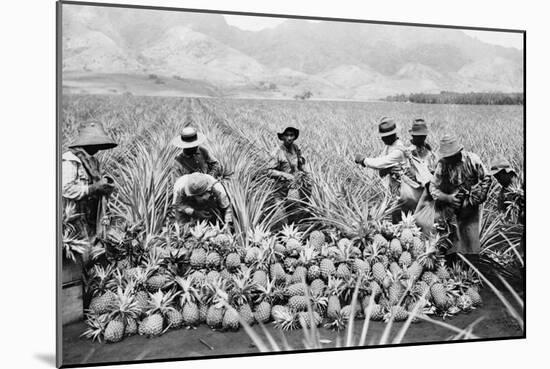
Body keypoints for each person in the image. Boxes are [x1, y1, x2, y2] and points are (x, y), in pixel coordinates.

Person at [429, 134, 492, 263]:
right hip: (450, 209)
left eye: (452, 156)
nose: (450, 159)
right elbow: (432, 188)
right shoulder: (443, 164)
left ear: (458, 152)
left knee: (471, 244)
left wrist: (479, 196)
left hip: (469, 208)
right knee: (450, 245)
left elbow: (486, 177)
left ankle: (473, 271)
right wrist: (448, 198)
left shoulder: (472, 160)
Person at [354, 117, 423, 223]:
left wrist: (363, 160)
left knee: (401, 217)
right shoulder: (390, 146)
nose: (383, 139)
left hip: (404, 190)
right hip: (395, 189)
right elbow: (381, 161)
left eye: (385, 137)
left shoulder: (398, 151)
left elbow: (380, 163)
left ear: (392, 135)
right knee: (397, 215)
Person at [62, 121, 118, 237]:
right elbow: (65, 189)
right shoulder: (70, 161)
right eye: (96, 145)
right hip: (72, 219)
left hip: (89, 215)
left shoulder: (93, 162)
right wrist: (93, 188)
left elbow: (99, 190)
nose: (98, 149)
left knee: (95, 246)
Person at [267, 126, 310, 223]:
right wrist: (285, 175)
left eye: (292, 135)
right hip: (280, 189)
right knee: (281, 216)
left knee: (295, 212)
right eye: (287, 135)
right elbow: (269, 171)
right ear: (282, 137)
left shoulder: (295, 148)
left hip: (293, 187)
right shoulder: (277, 152)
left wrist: (304, 173)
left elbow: (300, 164)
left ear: (295, 137)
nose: (289, 138)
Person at [490, 156, 524, 224]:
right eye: (496, 177)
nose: (498, 179)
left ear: (507, 172)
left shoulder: (522, 182)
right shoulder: (502, 193)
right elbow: (502, 213)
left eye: (499, 176)